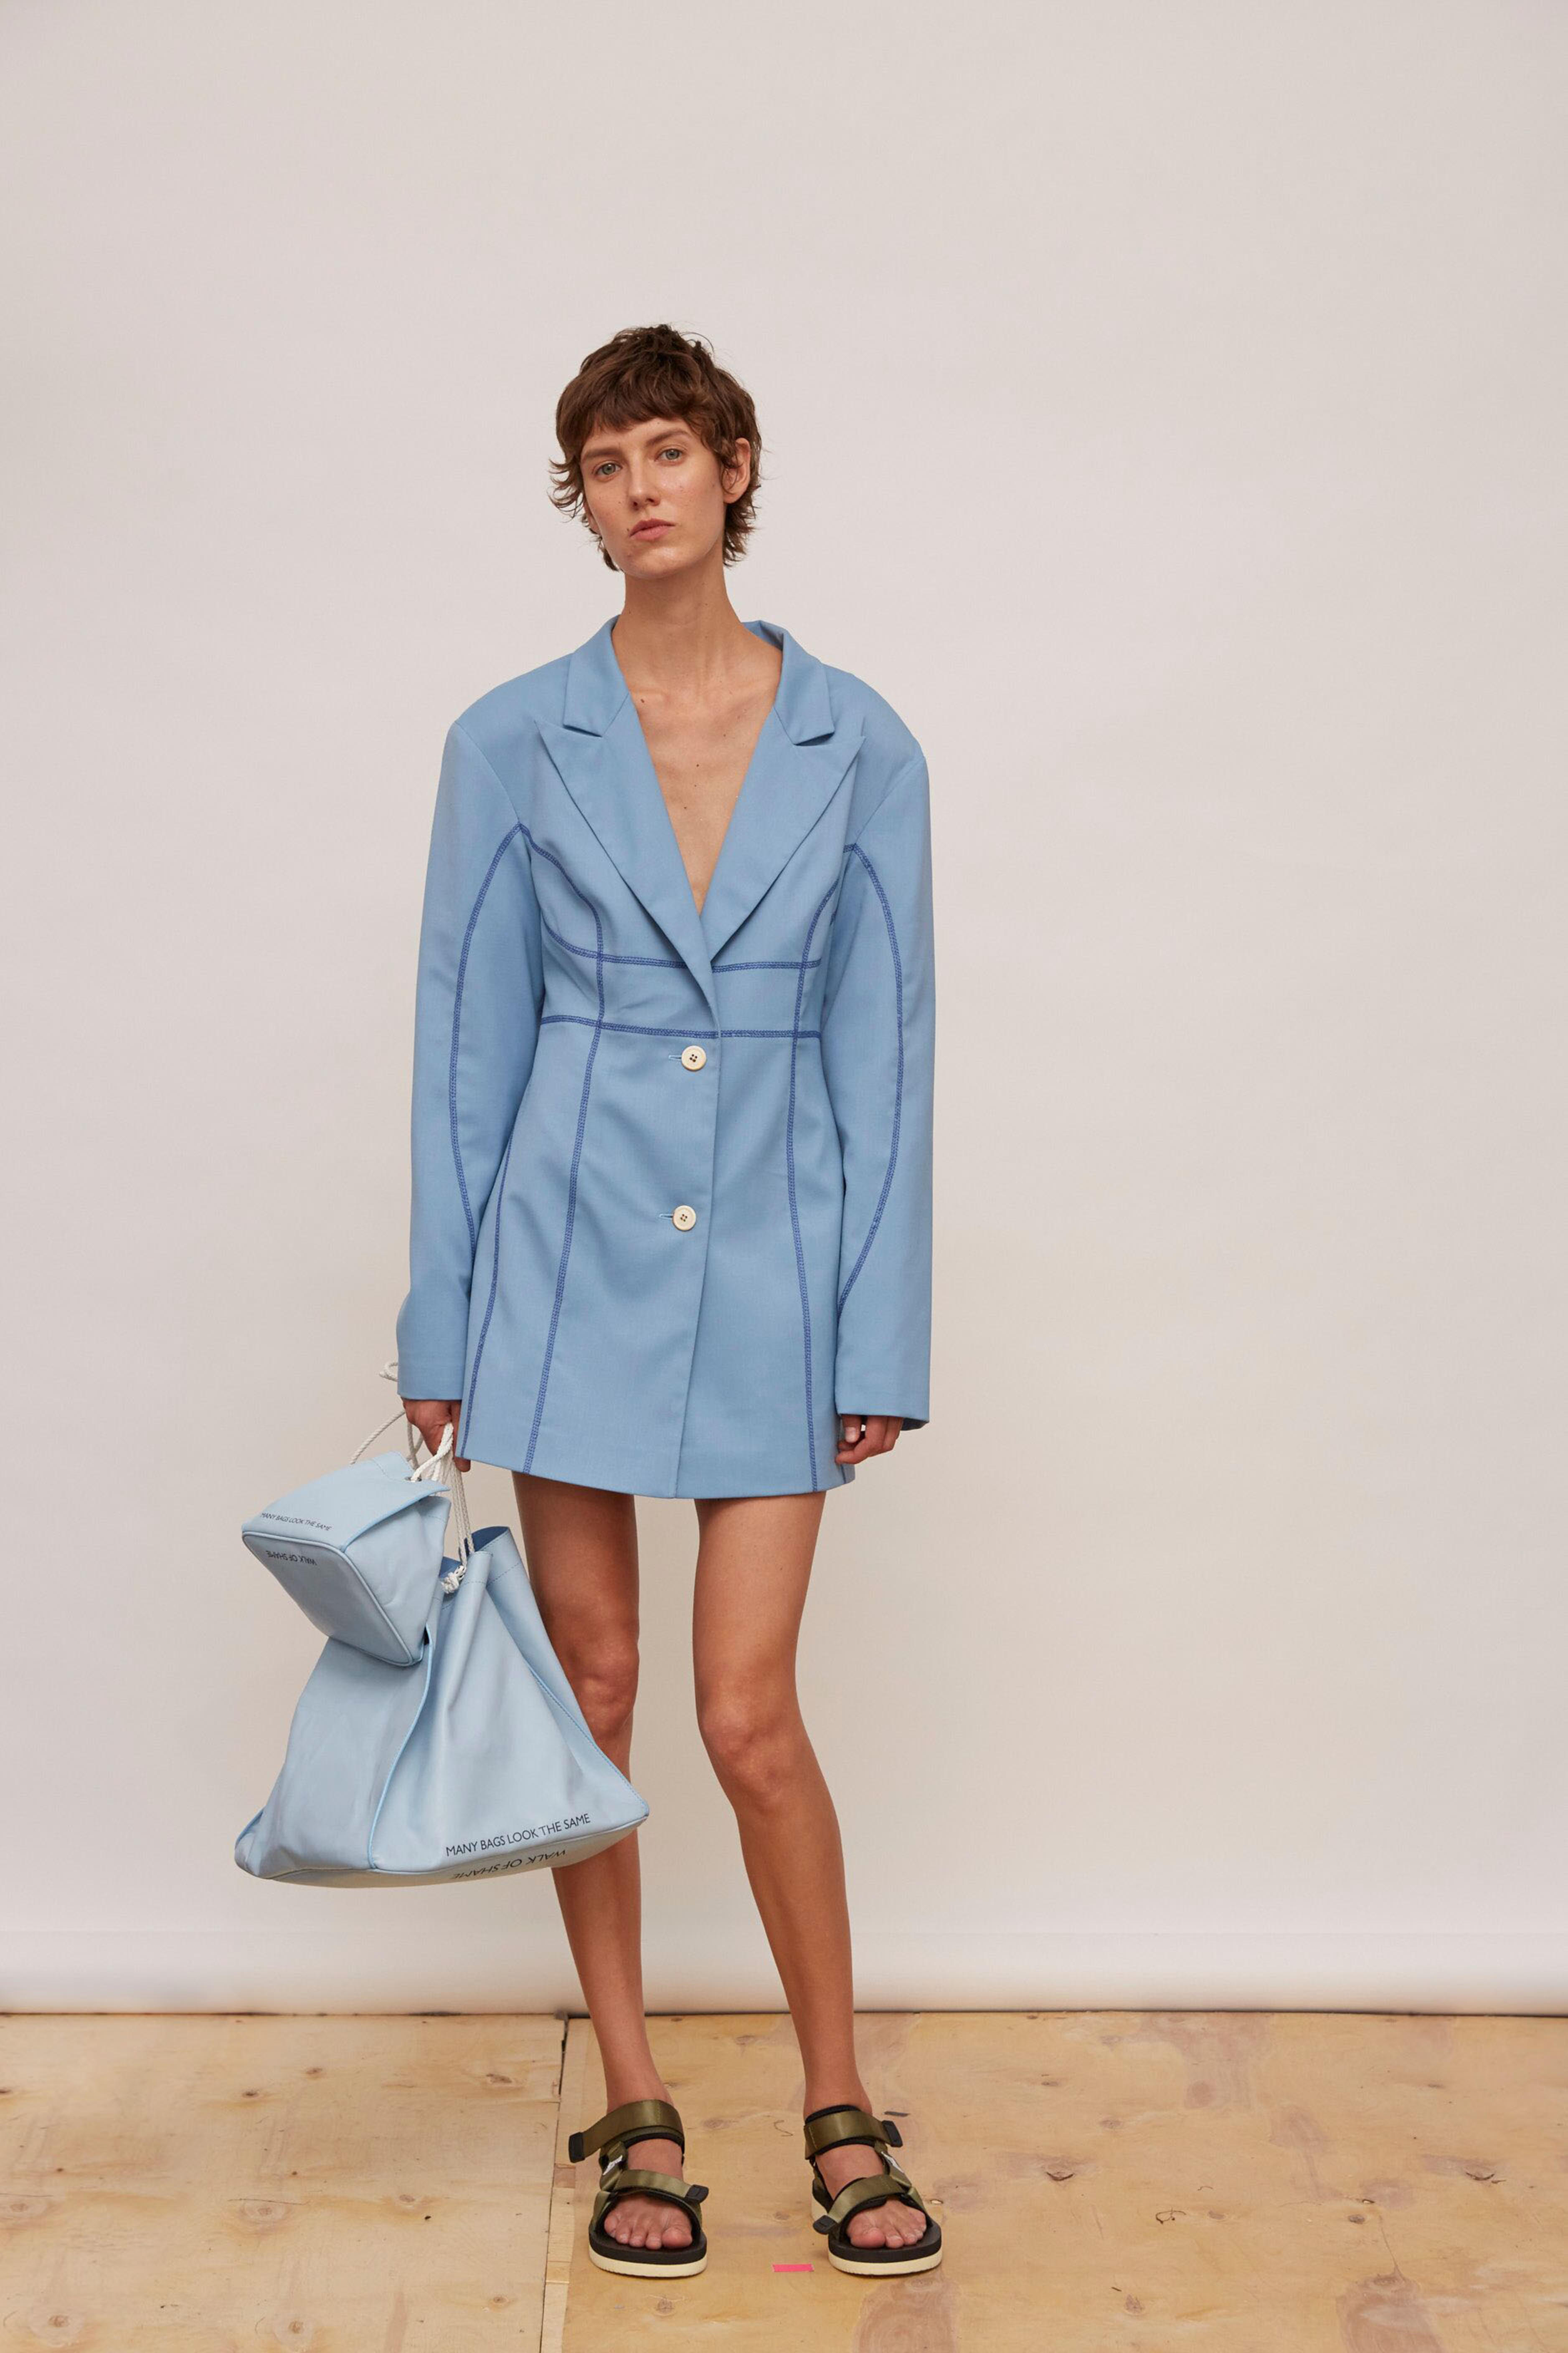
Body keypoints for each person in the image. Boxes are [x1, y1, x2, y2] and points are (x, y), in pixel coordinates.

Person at [394, 324, 939, 2280]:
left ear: (733, 470)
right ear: (587, 500)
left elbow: (892, 1052)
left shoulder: (861, 742)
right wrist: (443, 1328)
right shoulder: (506, 741)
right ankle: (634, 2093)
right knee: (597, 1693)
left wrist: (880, 1334)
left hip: (782, 1265)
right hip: (560, 1264)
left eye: (669, 453)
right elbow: (465, 1047)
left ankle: (839, 2101)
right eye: (607, 463)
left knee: (747, 1712)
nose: (639, 489)